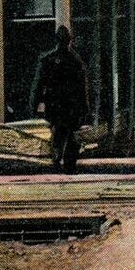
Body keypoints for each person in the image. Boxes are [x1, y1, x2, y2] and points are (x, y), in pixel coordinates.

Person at [31, 26, 89, 174]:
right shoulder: (75, 61)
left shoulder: (49, 59)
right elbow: (82, 88)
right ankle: (65, 161)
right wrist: (84, 107)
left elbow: (38, 85)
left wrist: (34, 104)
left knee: (60, 131)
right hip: (67, 104)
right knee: (67, 132)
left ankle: (59, 159)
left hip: (57, 103)